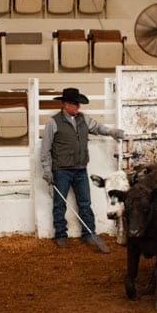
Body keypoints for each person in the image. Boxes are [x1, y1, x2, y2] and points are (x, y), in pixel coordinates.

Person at [40, 87, 125, 252]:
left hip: (80, 169)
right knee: (60, 204)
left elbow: (99, 128)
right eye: (73, 104)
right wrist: (47, 170)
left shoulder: (84, 119)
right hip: (61, 170)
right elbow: (45, 149)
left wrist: (111, 132)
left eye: (78, 104)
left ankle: (89, 234)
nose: (77, 107)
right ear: (64, 104)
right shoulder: (53, 122)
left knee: (85, 203)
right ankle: (61, 236)